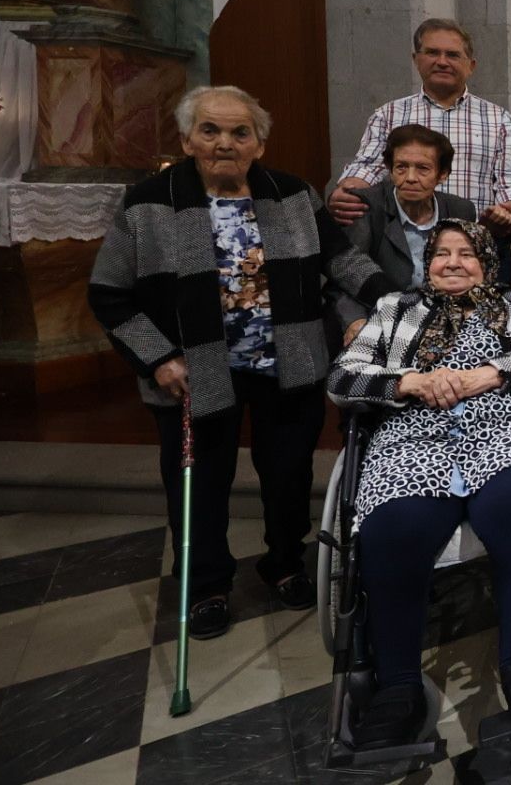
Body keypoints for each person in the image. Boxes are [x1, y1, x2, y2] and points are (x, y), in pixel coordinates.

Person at [89, 86, 388, 640]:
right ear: (186, 139)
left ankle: (283, 562)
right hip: (191, 374)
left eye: (239, 132)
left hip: (290, 363)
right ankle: (206, 585)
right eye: (210, 131)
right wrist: (158, 360)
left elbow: (340, 259)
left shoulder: (291, 193)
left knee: (289, 475)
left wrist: (394, 297)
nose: (225, 143)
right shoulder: (151, 200)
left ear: (259, 143)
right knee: (199, 484)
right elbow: (109, 294)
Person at [326, 221, 511, 747]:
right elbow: (344, 377)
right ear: (427, 262)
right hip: (415, 436)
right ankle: (398, 685)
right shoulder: (395, 307)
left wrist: (490, 374)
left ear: (487, 261)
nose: (454, 262)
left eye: (467, 253)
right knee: (393, 529)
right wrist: (408, 381)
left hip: (507, 426)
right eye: (441, 253)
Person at [328, 19, 511, 259]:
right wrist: (347, 192)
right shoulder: (388, 115)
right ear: (416, 59)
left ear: (471, 65)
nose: (442, 62)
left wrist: (506, 213)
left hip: (473, 248)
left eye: (452, 55)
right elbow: (366, 168)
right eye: (432, 53)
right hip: (401, 249)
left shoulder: (499, 119)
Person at [328, 124, 478, 347]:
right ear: (389, 169)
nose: (410, 178)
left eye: (423, 169)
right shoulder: (368, 207)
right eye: (401, 167)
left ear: (442, 174)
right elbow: (341, 281)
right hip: (380, 321)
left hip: (445, 322)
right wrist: (354, 321)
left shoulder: (460, 210)